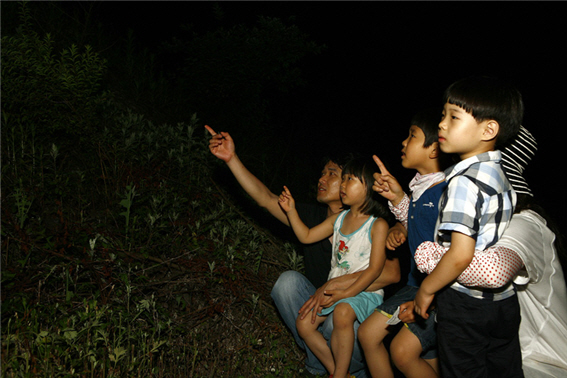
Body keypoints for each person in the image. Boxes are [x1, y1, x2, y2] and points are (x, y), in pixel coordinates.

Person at [205, 126, 400, 377]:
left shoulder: (373, 225)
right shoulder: (313, 218)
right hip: (321, 314)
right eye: (322, 173)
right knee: (288, 283)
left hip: (351, 316)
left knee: (339, 317)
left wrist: (335, 288)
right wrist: (232, 159)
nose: (322, 179)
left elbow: (391, 274)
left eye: (332, 174)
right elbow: (265, 198)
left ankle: (346, 369)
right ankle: (325, 367)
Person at [415, 126, 567, 378]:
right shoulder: (495, 216)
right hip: (503, 352)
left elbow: (492, 272)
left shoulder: (526, 222)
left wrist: (429, 257)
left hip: (543, 364)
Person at [413, 76, 524, 378]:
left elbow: (461, 255)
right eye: (443, 115)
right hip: (504, 303)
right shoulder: (499, 175)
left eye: (454, 117)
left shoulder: (462, 182)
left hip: (465, 306)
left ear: (489, 129)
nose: (443, 125)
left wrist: (426, 288)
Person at [278, 155, 390, 378]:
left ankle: (339, 373)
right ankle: (339, 371)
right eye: (344, 179)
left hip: (363, 292)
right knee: (304, 325)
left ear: (368, 186)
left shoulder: (378, 225)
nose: (344, 185)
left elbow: (375, 270)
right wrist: (291, 210)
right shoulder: (338, 219)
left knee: (341, 313)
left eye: (350, 179)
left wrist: (345, 293)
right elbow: (306, 236)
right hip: (335, 292)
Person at [359, 109, 447, 378]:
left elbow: (450, 249)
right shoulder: (421, 188)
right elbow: (419, 224)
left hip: (440, 293)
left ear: (433, 149)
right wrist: (398, 203)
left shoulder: (446, 191)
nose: (403, 142)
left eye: (412, 136)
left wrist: (432, 302)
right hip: (414, 284)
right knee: (368, 333)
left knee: (401, 352)